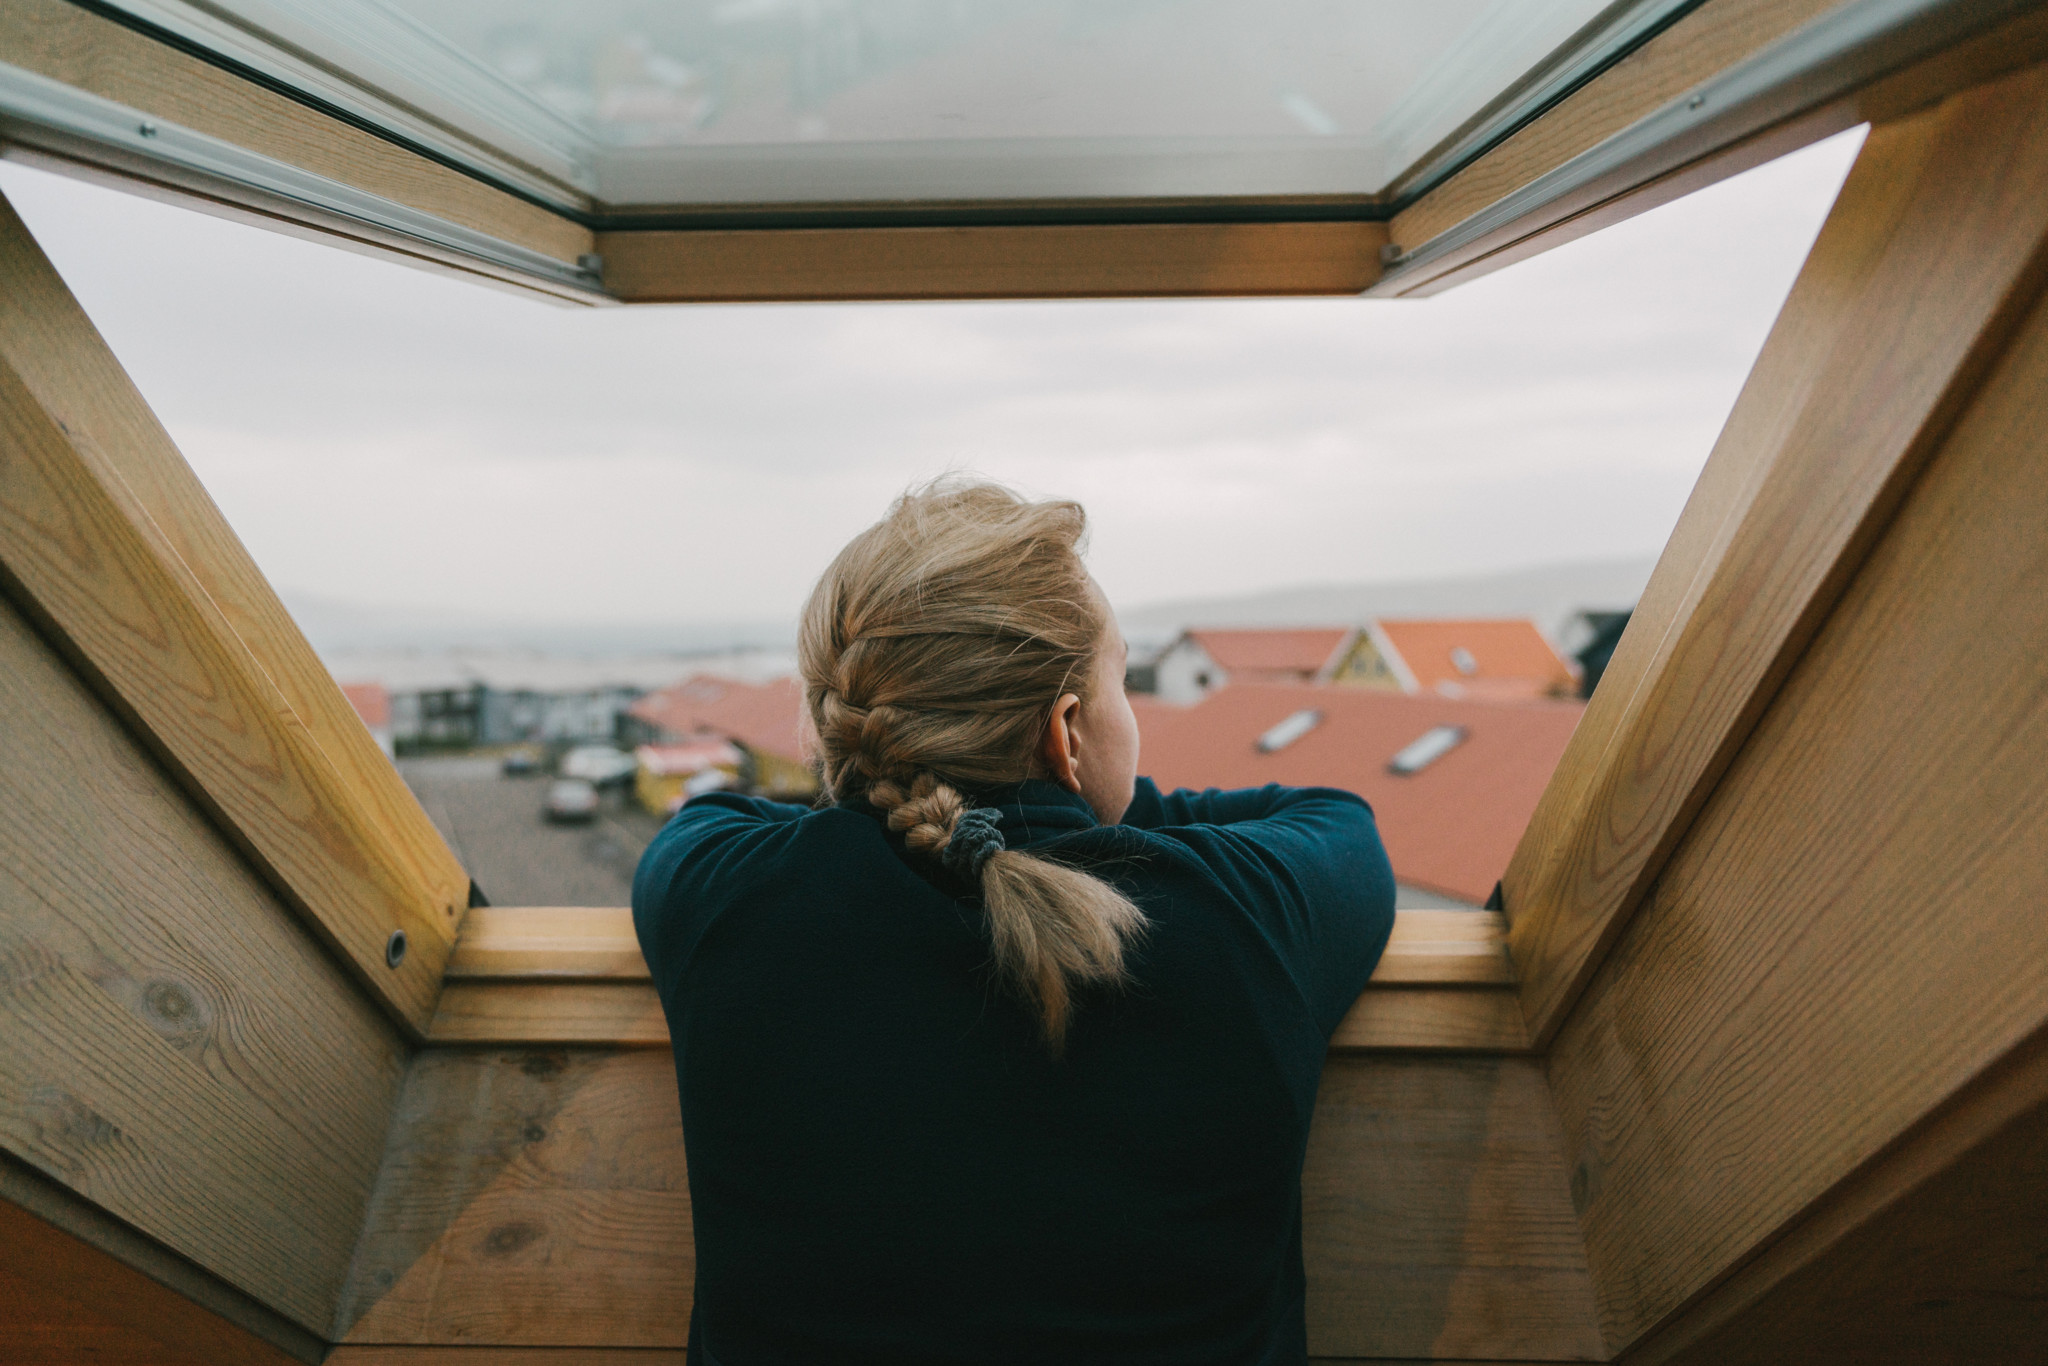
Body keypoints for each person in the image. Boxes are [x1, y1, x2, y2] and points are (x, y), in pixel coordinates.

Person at [633, 481, 1396, 1366]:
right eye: (1120, 689)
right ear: (1066, 733)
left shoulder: (726, 896)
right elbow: (1331, 820)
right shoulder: (1245, 914)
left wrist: (925, 797)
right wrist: (1089, 814)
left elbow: (734, 819)